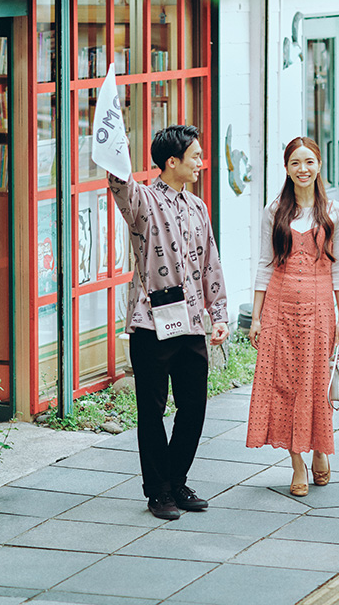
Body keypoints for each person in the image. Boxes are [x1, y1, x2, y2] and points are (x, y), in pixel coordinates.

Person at [109, 124, 229, 521]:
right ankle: (157, 490)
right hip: (151, 323)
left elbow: (210, 261)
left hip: (193, 321)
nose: (201, 162)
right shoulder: (143, 200)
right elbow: (120, 184)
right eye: (195, 156)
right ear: (171, 162)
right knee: (152, 409)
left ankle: (177, 479)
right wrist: (116, 145)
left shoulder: (198, 206)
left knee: (194, 407)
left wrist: (219, 313)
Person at [246, 138, 339, 496]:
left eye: (308, 162)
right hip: (280, 304)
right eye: (295, 163)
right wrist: (256, 317)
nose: (302, 169)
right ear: (287, 169)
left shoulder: (335, 212)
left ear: (319, 165)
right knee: (285, 385)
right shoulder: (274, 210)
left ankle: (320, 447)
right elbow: (264, 263)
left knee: (318, 384)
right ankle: (297, 462)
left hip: (320, 307)